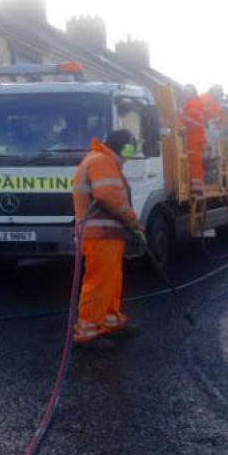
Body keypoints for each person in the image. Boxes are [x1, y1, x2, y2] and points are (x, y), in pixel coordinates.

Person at [72, 129, 146, 346]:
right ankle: (88, 331)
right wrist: (133, 222)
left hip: (108, 235)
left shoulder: (103, 160)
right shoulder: (101, 161)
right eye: (130, 148)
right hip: (100, 234)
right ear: (123, 146)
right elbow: (108, 196)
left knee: (110, 281)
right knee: (99, 282)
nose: (131, 154)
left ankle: (110, 322)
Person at [181, 85, 207, 199]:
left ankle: (197, 191)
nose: (185, 94)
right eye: (184, 92)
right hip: (194, 139)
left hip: (195, 140)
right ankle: (196, 190)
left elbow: (191, 121)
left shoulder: (193, 104)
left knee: (195, 164)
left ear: (192, 93)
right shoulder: (191, 104)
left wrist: (181, 120)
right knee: (193, 164)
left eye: (187, 92)